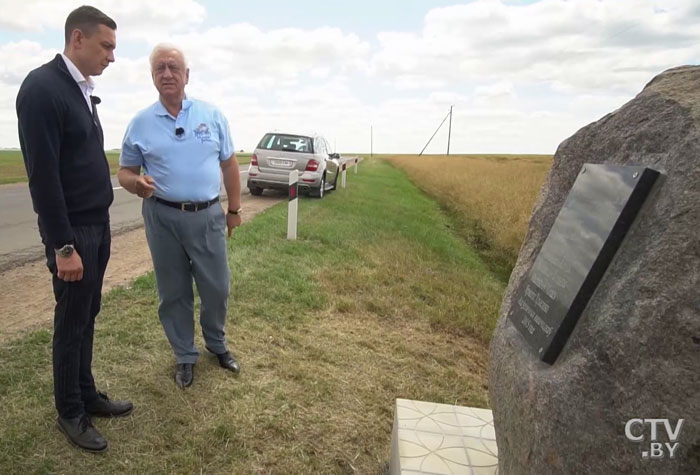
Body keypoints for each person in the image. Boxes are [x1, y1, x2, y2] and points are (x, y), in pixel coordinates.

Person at [15, 6, 132, 453]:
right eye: (107, 46)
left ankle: (86, 393)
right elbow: (42, 179)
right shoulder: (43, 89)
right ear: (77, 39)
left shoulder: (81, 89)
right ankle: (69, 411)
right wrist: (63, 245)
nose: (112, 57)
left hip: (96, 226)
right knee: (71, 322)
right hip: (73, 233)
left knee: (88, 315)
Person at [118, 44, 243, 389]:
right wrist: (136, 183)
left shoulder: (211, 115)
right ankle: (185, 356)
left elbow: (229, 164)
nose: (167, 74)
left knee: (216, 287)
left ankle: (217, 345)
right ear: (152, 77)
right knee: (173, 291)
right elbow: (125, 172)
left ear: (187, 75)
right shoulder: (140, 123)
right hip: (162, 218)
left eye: (174, 67)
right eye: (160, 68)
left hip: (207, 216)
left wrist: (233, 210)